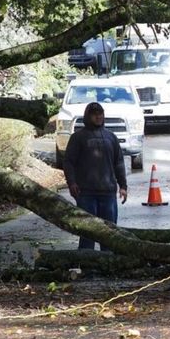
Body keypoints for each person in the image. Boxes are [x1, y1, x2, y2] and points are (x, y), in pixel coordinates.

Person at [63, 102, 128, 251]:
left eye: (101, 113)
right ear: (88, 116)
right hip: (86, 193)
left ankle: (108, 266)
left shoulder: (111, 137)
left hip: (108, 193)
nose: (98, 116)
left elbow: (119, 163)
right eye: (94, 114)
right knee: (87, 235)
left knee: (110, 234)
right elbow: (68, 162)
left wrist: (123, 186)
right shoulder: (78, 137)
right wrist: (71, 182)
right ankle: (87, 269)